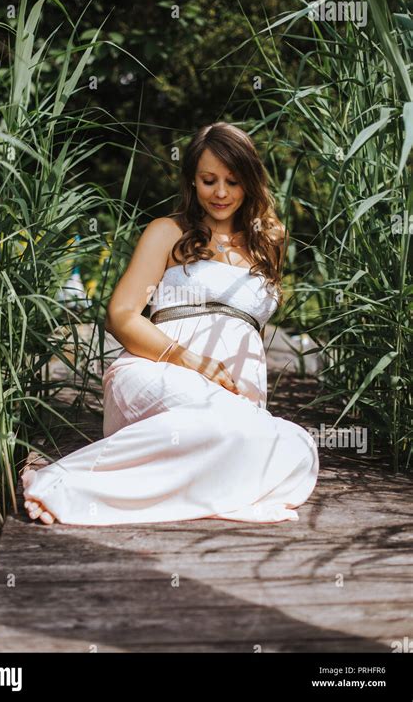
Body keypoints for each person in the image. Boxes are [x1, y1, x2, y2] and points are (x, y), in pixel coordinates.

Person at [22, 122, 319, 526]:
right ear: (192, 180)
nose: (220, 192)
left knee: (298, 449)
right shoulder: (168, 232)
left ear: (250, 181)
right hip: (156, 373)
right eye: (209, 180)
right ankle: (65, 481)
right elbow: (121, 314)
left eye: (233, 181)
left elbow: (250, 331)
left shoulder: (268, 242)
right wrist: (192, 361)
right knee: (236, 432)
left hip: (233, 407)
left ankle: (182, 473)